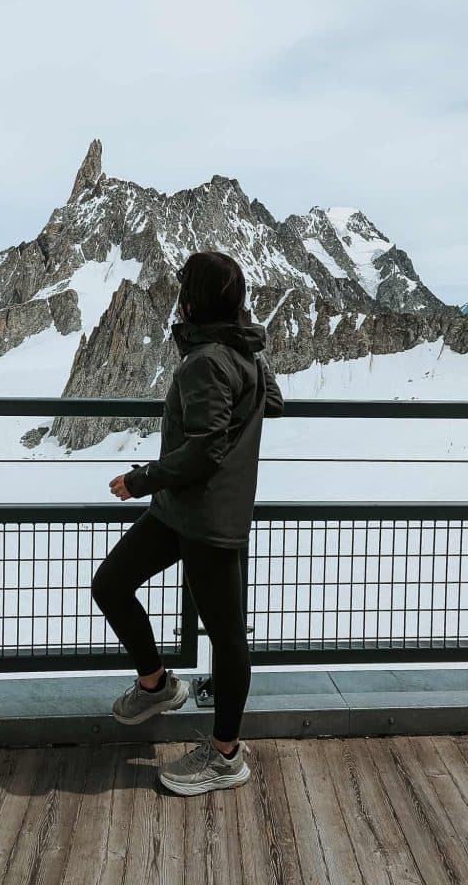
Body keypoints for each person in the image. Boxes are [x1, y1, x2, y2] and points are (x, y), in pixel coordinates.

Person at [91, 250, 284, 796]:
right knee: (112, 583)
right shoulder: (235, 353)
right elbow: (273, 402)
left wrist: (141, 478)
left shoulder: (207, 361)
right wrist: (246, 342)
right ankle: (155, 684)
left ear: (194, 298)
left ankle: (225, 756)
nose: (177, 291)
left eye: (183, 286)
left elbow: (205, 451)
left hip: (205, 519)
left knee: (226, 637)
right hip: (184, 512)